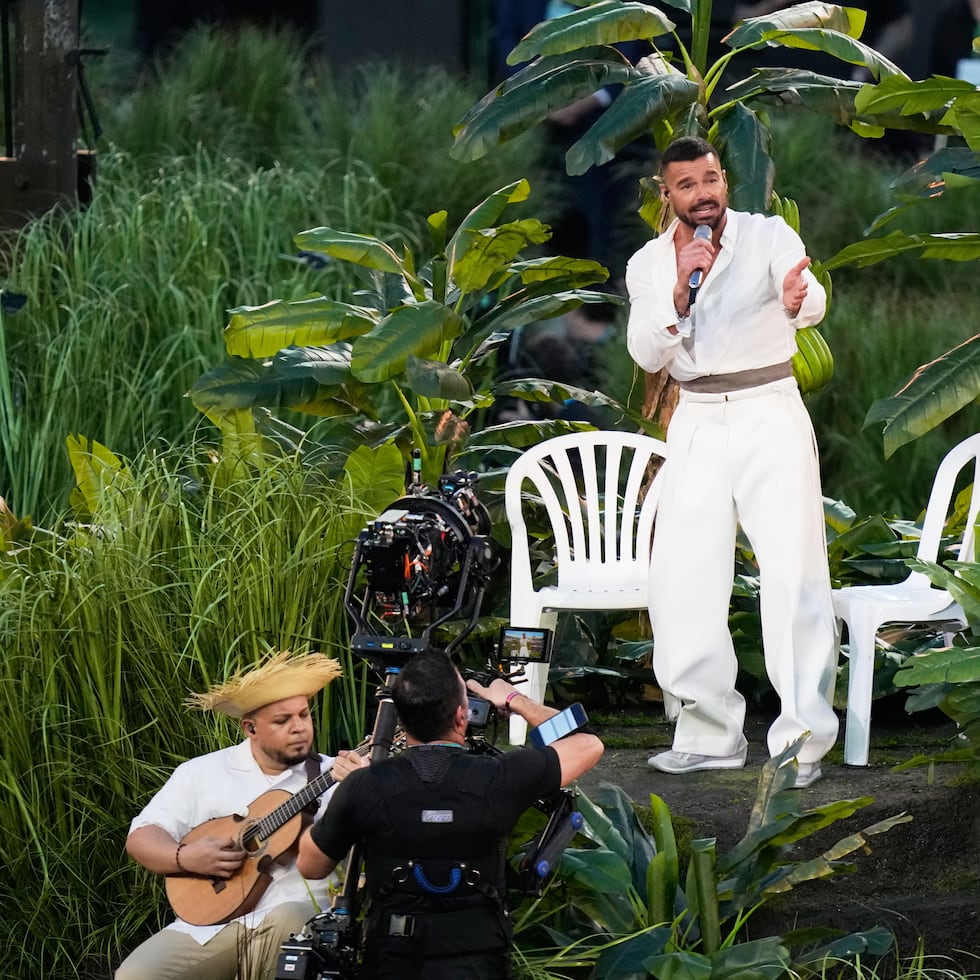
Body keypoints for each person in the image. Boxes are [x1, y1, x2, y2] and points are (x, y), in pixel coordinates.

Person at [625, 136, 838, 788]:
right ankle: (708, 733)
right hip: (695, 417)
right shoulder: (649, 264)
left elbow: (806, 293)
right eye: (687, 184)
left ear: (724, 180)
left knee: (793, 576)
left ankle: (800, 744)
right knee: (683, 578)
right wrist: (682, 295)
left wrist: (803, 301)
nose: (704, 192)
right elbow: (645, 351)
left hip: (768, 407)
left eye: (711, 178)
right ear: (669, 195)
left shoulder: (767, 234)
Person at [296, 650, 604, 978]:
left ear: (401, 721)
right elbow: (587, 744)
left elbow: (311, 865)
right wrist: (513, 698)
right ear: (462, 716)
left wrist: (351, 791)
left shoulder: (365, 785)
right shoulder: (501, 777)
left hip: (391, 961)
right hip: (480, 964)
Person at [115, 649, 360, 980]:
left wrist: (363, 785)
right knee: (137, 975)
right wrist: (185, 857)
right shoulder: (201, 772)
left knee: (290, 919)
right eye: (282, 720)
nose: (299, 727)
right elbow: (141, 837)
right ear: (250, 728)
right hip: (210, 926)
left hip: (294, 920)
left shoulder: (337, 775)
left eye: (304, 715)